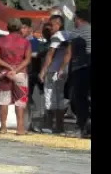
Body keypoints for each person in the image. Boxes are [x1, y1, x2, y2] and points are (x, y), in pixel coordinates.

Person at [0, 18, 33, 135]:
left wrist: (9, 67)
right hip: (20, 73)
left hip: (5, 73)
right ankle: (20, 128)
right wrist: (15, 69)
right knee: (20, 101)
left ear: (7, 28)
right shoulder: (25, 42)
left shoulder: (0, 41)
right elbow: (28, 59)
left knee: (3, 101)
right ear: (20, 28)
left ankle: (3, 127)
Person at [39, 15, 70, 134]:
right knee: (60, 99)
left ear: (58, 24)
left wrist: (43, 71)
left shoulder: (57, 36)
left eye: (51, 25)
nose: (49, 28)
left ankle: (49, 125)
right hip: (63, 70)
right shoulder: (67, 35)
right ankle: (60, 126)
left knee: (50, 98)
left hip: (53, 71)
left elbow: (50, 54)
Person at [67, 9, 91, 137]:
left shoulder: (77, 32)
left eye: (74, 19)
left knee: (79, 98)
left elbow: (69, 52)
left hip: (81, 68)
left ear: (79, 19)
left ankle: (81, 127)